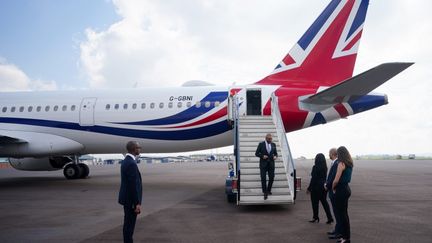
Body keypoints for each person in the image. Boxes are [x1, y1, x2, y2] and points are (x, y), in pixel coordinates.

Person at [118, 141, 143, 243]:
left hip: (127, 199)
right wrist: (136, 203)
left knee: (127, 224)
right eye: (139, 147)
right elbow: (133, 186)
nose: (140, 149)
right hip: (131, 201)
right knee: (129, 226)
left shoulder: (126, 161)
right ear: (134, 149)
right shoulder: (131, 163)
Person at [332, 146, 353, 243]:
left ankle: (345, 238)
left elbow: (336, 180)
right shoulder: (349, 163)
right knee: (344, 214)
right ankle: (345, 237)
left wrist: (333, 188)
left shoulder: (341, 164)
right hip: (346, 189)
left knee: (341, 215)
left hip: (340, 190)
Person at [307, 153, 333, 224]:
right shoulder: (325, 167)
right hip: (323, 187)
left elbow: (314, 179)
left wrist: (309, 188)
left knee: (315, 203)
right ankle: (330, 217)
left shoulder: (315, 167)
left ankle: (315, 217)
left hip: (316, 187)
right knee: (324, 202)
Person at [255, 133, 278, 200]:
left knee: (272, 177)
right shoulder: (261, 144)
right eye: (269, 139)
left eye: (271, 139)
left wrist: (275, 157)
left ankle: (268, 190)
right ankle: (265, 192)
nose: (270, 140)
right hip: (263, 164)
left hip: (271, 164)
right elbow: (256, 153)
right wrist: (262, 156)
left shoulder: (273, 144)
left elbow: (276, 154)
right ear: (266, 139)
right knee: (263, 178)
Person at [325, 148, 342, 239]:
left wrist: (327, 185)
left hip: (333, 190)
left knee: (337, 212)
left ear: (332, 154)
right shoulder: (335, 163)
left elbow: (333, 177)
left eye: (329, 153)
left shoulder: (336, 163)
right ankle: (336, 230)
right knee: (336, 212)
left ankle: (338, 232)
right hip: (332, 190)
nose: (329, 155)